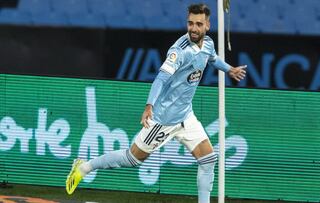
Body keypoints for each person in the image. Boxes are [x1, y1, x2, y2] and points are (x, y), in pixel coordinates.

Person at [66, 3, 246, 203]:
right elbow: (161, 78)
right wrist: (149, 106)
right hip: (163, 119)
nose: (193, 28)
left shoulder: (209, 44)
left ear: (207, 26)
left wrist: (229, 69)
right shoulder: (179, 51)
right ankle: (83, 167)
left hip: (186, 116)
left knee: (208, 160)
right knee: (132, 159)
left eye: (198, 24)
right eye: (190, 23)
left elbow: (212, 58)